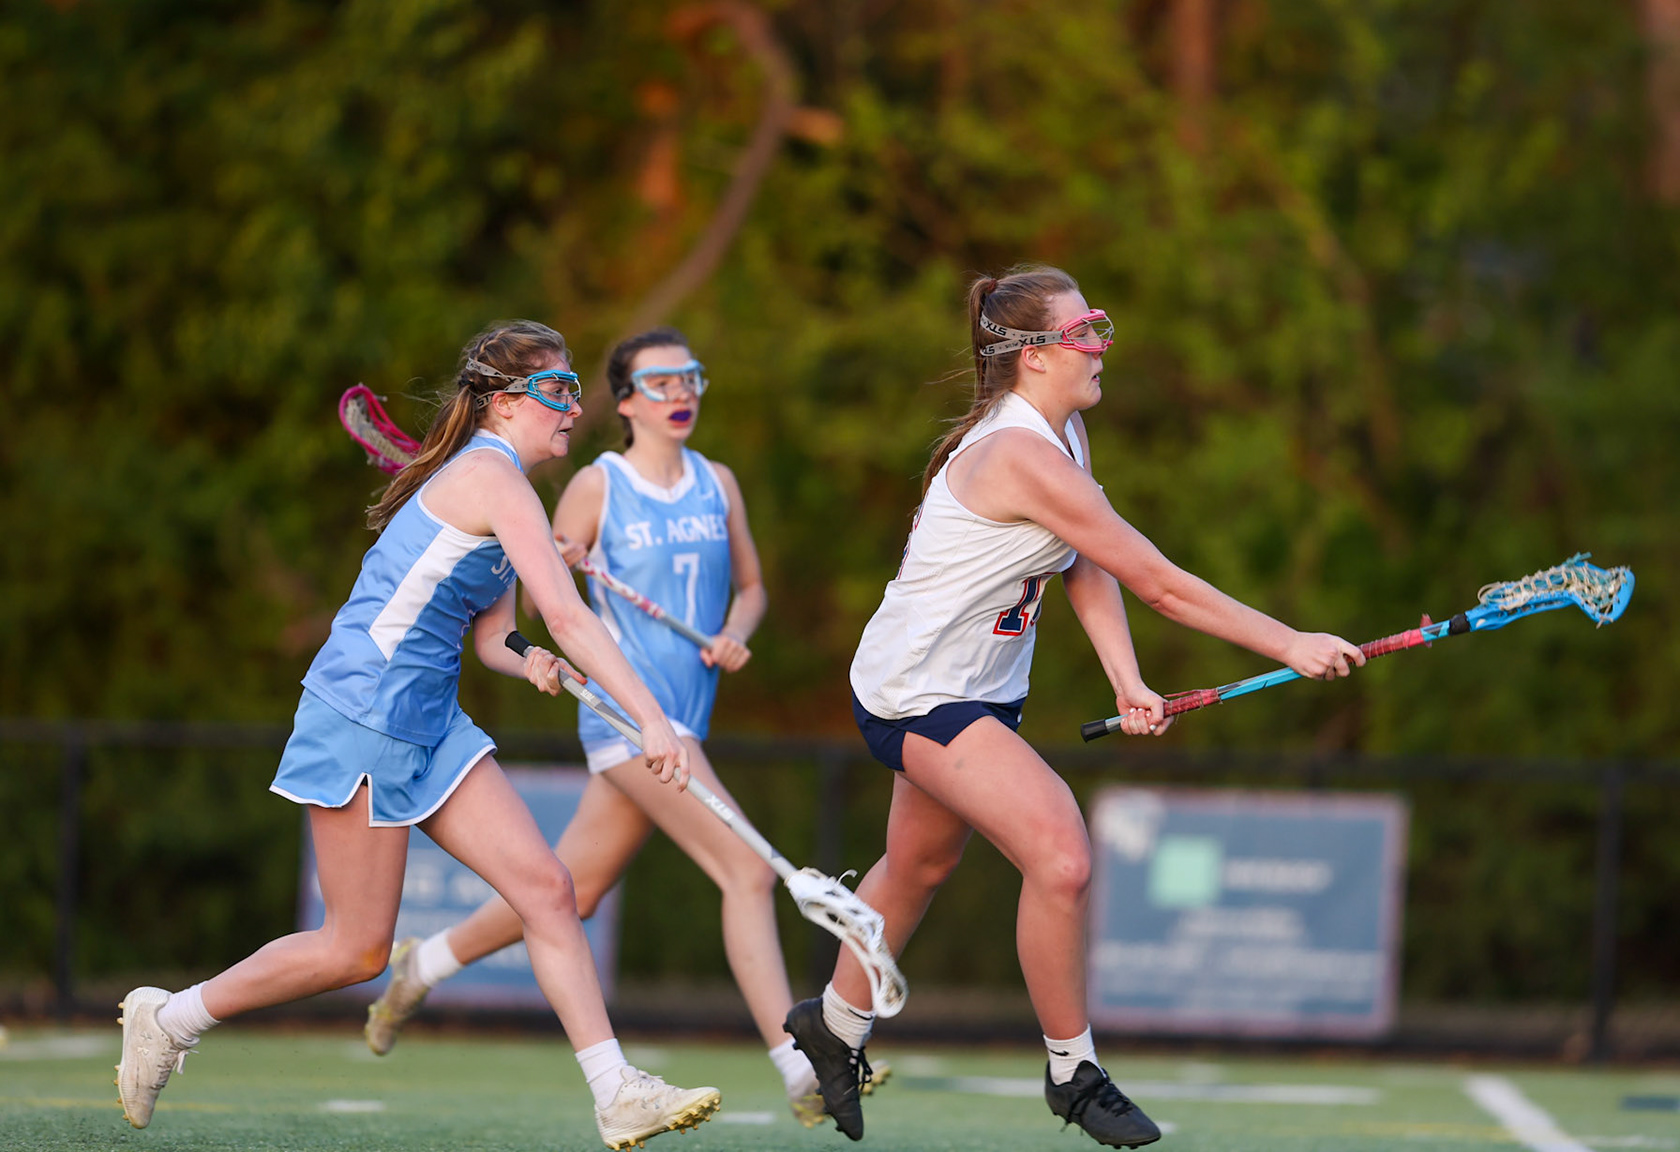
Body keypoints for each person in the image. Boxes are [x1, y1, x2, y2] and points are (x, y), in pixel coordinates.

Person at [782, 267, 1365, 1147]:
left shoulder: (1064, 433)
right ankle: (1072, 1072)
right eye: (1086, 330)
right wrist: (1290, 643)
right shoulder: (1016, 453)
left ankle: (834, 1023)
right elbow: (1160, 583)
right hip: (920, 692)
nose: (1101, 344)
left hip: (977, 689)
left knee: (918, 867)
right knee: (1061, 857)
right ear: (1035, 355)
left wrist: (1126, 680)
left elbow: (1085, 557)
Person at [113, 321, 722, 1151]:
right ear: (504, 404)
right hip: (362, 710)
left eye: (578, 389)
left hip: (431, 723)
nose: (574, 407)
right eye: (557, 391)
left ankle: (616, 1091)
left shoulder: (515, 492)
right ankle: (170, 1017)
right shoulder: (493, 480)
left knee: (547, 889)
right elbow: (572, 615)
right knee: (355, 951)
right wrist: (652, 718)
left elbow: (495, 636)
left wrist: (530, 661)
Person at [362, 328, 877, 1125]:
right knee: (745, 871)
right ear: (626, 400)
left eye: (690, 378)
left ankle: (422, 965)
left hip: (687, 715)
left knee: (575, 891)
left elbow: (751, 588)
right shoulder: (594, 487)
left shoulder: (720, 483)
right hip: (632, 722)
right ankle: (803, 1069)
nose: (680, 393)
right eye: (660, 381)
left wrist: (736, 628)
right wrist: (559, 556)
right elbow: (528, 605)